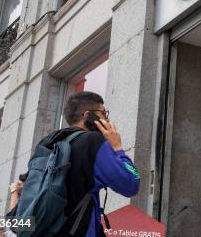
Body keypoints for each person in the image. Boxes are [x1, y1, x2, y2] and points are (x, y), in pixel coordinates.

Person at [12, 91, 140, 237]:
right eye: (103, 113)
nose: (107, 119)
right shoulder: (92, 142)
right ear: (88, 116)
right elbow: (130, 184)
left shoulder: (48, 143)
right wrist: (117, 148)